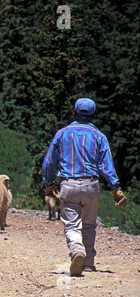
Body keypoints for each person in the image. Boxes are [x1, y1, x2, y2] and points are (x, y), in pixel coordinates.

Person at [42, 98, 127, 277]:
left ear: (73, 114)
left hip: (68, 184)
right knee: (89, 225)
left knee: (72, 225)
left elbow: (50, 161)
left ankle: (76, 251)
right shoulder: (99, 136)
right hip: (91, 185)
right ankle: (88, 263)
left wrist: (49, 184)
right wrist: (115, 189)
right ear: (94, 116)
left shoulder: (62, 134)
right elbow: (107, 166)